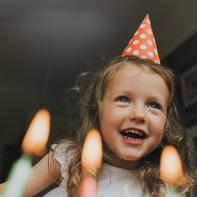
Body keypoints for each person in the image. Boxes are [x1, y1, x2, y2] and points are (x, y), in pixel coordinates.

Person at [1, 15, 197, 197]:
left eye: (153, 105)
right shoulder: (68, 157)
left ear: (166, 122)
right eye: (124, 99)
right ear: (99, 108)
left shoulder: (163, 185)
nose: (139, 114)